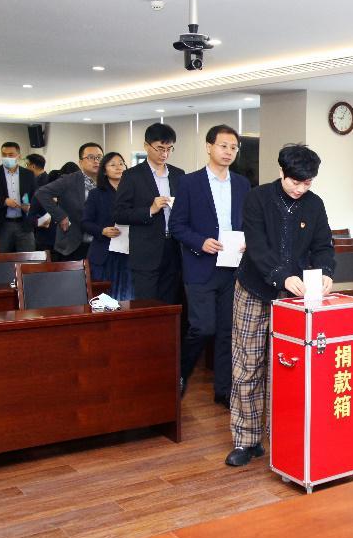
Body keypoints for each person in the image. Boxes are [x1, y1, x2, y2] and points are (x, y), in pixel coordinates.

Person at [225, 144, 336, 467]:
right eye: (295, 182)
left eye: (307, 183)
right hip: (253, 289)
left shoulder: (314, 204)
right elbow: (257, 247)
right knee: (247, 366)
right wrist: (282, 276)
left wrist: (326, 272)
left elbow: (323, 245)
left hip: (292, 298)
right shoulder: (257, 198)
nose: (301, 189)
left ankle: (282, 438)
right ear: (281, 173)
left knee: (285, 368)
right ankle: (246, 440)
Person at [169, 125, 249, 404]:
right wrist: (200, 241)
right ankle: (179, 374)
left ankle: (223, 391)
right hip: (200, 266)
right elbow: (177, 225)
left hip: (232, 266)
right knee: (203, 328)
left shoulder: (242, 183)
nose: (228, 152)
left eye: (233, 147)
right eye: (223, 146)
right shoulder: (189, 183)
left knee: (228, 331)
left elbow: (247, 222)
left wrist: (247, 240)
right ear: (209, 147)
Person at [113, 123, 184, 304]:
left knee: (170, 304)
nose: (164, 154)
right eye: (160, 148)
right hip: (146, 252)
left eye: (169, 149)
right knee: (147, 304)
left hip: (174, 248)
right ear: (146, 146)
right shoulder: (132, 176)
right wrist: (150, 210)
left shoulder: (178, 174)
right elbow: (119, 213)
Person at [34, 143, 103, 261]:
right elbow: (42, 193)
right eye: (91, 157)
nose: (96, 161)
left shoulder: (108, 181)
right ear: (80, 162)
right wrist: (60, 216)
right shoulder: (69, 180)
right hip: (75, 243)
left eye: (99, 157)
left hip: (101, 242)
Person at [82, 152, 133, 300]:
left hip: (128, 252)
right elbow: (85, 222)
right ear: (104, 171)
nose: (118, 167)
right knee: (103, 299)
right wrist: (102, 231)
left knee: (127, 299)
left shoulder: (133, 193)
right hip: (104, 252)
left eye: (121, 163)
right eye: (113, 165)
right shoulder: (96, 194)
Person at [0, 141, 36, 252]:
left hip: (24, 224)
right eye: (4, 155)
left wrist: (30, 206)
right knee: (1, 258)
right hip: (2, 224)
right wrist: (4, 201)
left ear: (18, 155)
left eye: (10, 155)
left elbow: (34, 196)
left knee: (28, 257)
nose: (7, 157)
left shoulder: (28, 174)